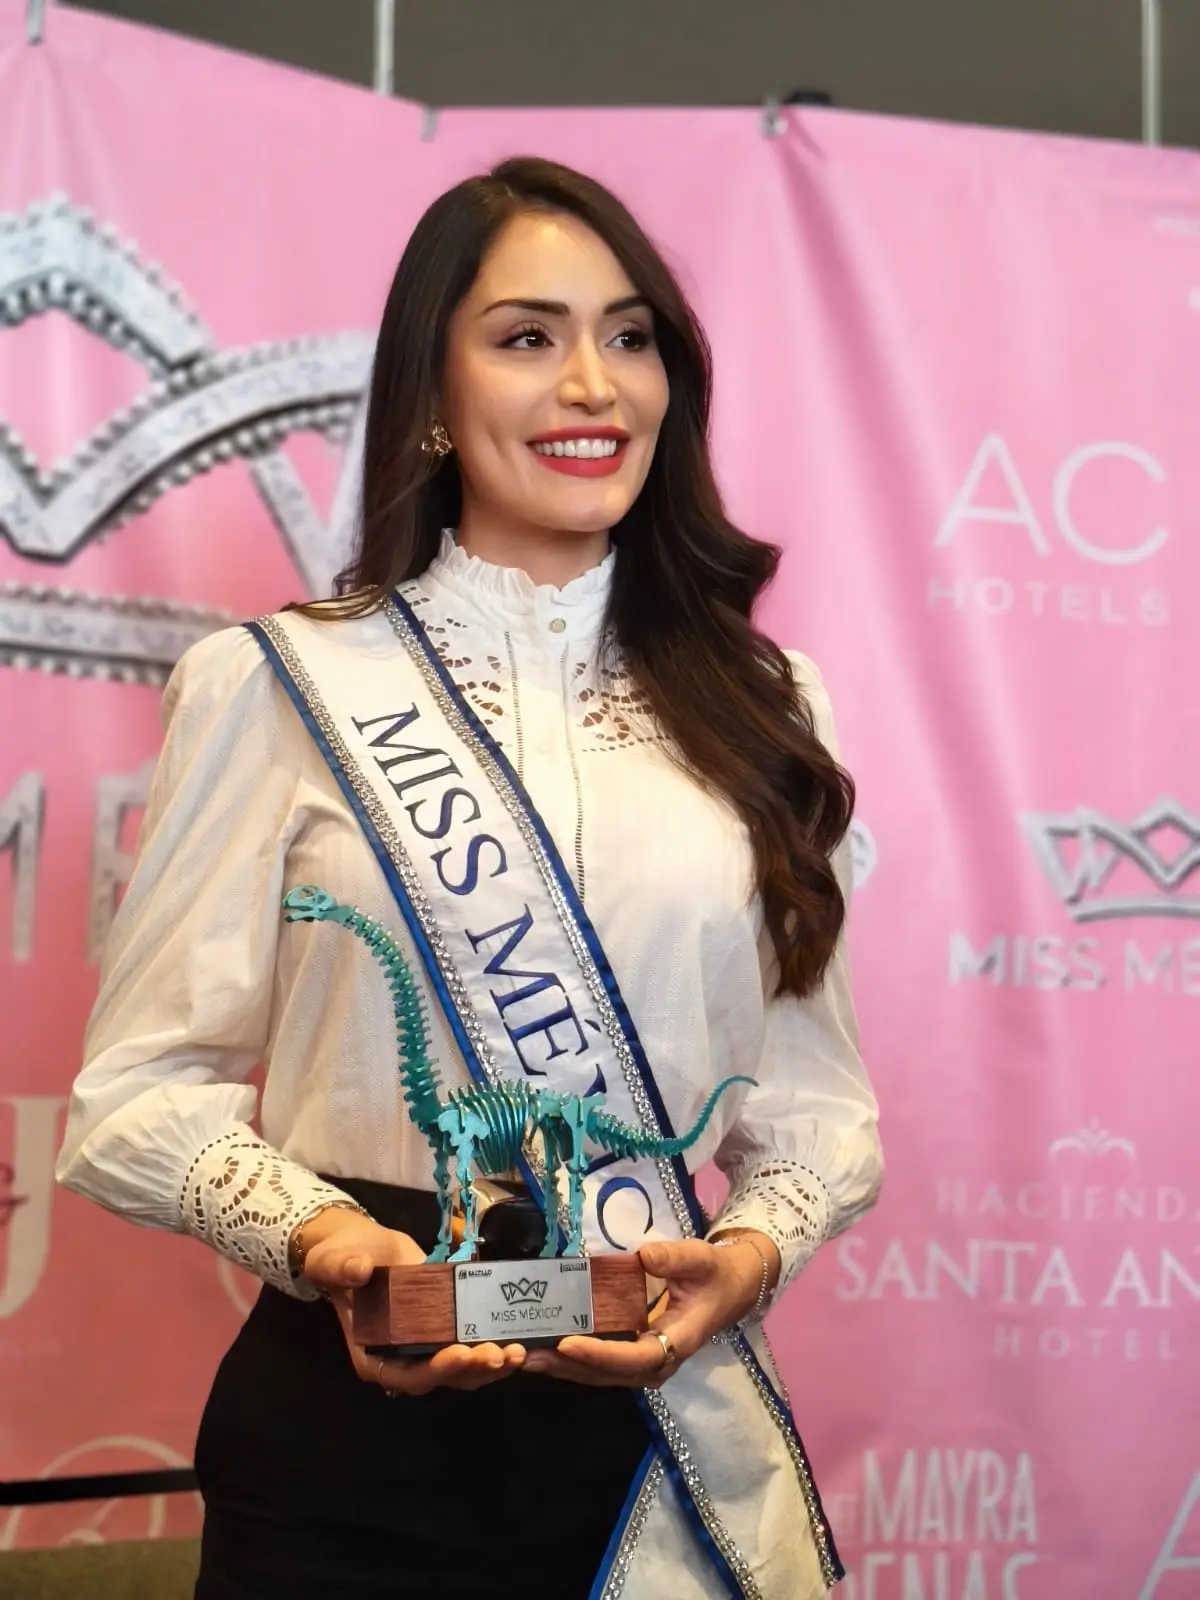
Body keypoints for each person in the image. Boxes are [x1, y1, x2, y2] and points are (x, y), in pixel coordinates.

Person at [56, 156, 883, 1600]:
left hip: (655, 1427)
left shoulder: (767, 703)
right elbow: (135, 1099)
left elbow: (815, 1104)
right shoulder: (277, 687)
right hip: (348, 1447)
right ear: (432, 397)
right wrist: (331, 1247)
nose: (593, 385)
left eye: (630, 338)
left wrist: (745, 1255)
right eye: (527, 338)